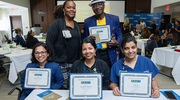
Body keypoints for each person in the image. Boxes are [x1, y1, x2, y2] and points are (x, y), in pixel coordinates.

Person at [46, 0, 81, 89]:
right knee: (64, 86)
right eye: (69, 7)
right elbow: (49, 43)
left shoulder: (76, 24)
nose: (71, 10)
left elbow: (78, 41)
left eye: (73, 7)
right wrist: (54, 58)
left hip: (75, 62)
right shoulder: (56, 24)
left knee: (73, 85)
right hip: (61, 63)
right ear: (63, 9)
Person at [83, 0, 123, 68]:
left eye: (100, 4)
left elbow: (119, 35)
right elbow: (84, 39)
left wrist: (117, 43)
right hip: (95, 54)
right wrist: (88, 38)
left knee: (110, 75)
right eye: (94, 6)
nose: (97, 7)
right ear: (92, 8)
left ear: (104, 5)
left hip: (110, 52)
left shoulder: (114, 19)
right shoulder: (88, 21)